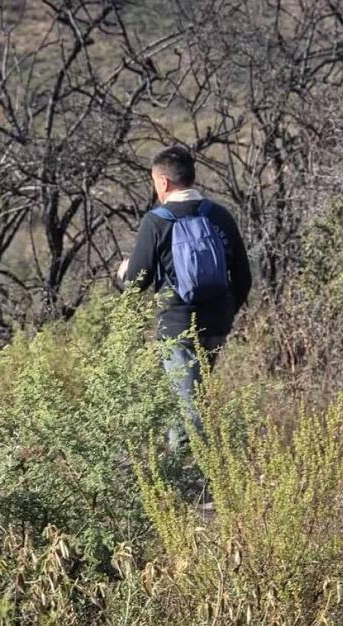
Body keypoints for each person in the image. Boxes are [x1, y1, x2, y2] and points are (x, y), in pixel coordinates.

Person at [123, 145, 252, 452]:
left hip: (177, 325)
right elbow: (243, 277)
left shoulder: (156, 221)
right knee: (195, 398)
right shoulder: (219, 215)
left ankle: (191, 472)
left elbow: (136, 282)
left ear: (163, 182)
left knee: (186, 407)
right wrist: (226, 313)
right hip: (217, 323)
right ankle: (201, 463)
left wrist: (123, 272)